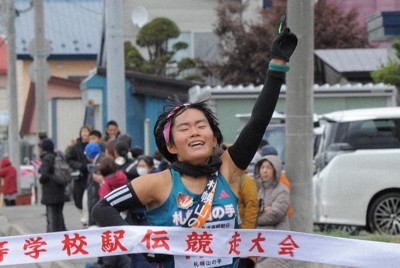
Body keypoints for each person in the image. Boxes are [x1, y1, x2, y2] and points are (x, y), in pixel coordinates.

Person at [92, 28, 297, 268]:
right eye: (184, 128)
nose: (195, 131)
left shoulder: (228, 172)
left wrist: (277, 66)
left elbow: (257, 123)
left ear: (213, 140)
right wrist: (139, 244)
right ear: (171, 145)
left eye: (201, 125)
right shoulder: (157, 183)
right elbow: (102, 208)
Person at [254, 155, 291, 268]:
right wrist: (262, 210)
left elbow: (274, 214)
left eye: (269, 167)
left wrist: (254, 219)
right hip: (260, 243)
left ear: (276, 170)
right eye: (262, 167)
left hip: (276, 244)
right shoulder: (257, 189)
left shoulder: (282, 190)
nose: (265, 171)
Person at [39, 138, 67, 232]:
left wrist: (41, 179)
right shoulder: (57, 156)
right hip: (60, 189)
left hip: (50, 192)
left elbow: (45, 176)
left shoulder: (47, 158)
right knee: (59, 215)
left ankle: (51, 239)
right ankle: (62, 236)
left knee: (51, 217)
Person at [66, 126, 91, 210]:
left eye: (86, 131)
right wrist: (79, 166)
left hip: (91, 175)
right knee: (78, 198)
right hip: (80, 176)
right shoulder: (76, 146)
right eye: (83, 131)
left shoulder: (93, 145)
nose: (85, 133)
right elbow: (69, 159)